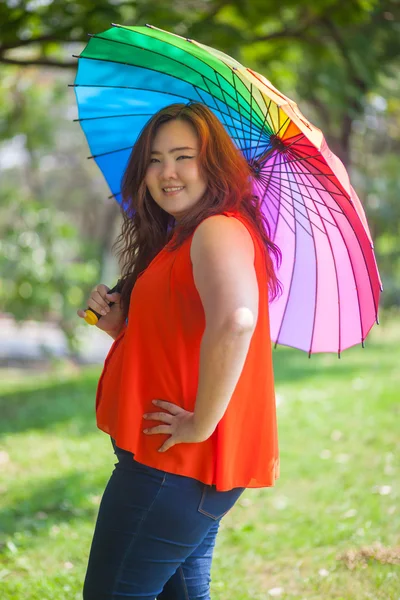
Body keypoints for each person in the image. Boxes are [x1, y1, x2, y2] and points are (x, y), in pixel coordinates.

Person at [77, 102, 281, 600]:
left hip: (173, 467)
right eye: (154, 158)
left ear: (213, 165)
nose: (166, 172)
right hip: (175, 467)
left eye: (183, 156)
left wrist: (201, 423)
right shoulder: (183, 236)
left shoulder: (217, 230)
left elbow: (235, 322)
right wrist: (120, 325)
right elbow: (186, 333)